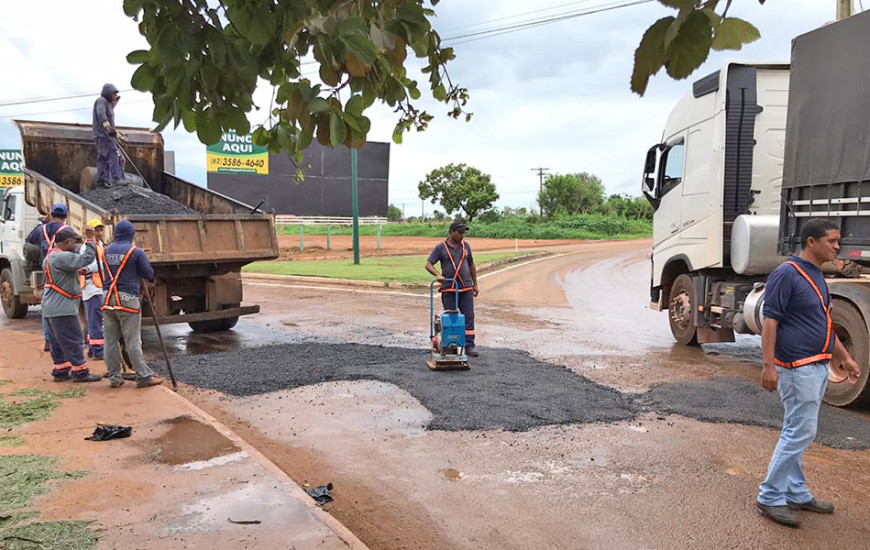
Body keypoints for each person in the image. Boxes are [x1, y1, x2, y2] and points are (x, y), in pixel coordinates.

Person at [756, 218, 862, 527]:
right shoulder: (786, 274)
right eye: (831, 241)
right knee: (800, 431)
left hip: (816, 365)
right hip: (796, 368)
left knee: (797, 429)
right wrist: (768, 366)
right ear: (811, 242)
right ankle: (770, 495)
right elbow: (770, 322)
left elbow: (824, 322)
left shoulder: (816, 274)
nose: (837, 246)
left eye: (837, 241)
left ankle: (796, 492)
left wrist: (843, 357)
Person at [101, 220, 164, 388]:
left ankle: (114, 377)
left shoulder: (106, 251)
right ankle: (143, 377)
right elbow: (148, 274)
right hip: (127, 299)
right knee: (133, 340)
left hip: (107, 298)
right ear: (131, 234)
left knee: (110, 340)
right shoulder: (135, 252)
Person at [42, 227, 101, 382]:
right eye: (74, 242)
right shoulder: (63, 257)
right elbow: (86, 259)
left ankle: (61, 371)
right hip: (63, 309)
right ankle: (80, 372)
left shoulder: (50, 257)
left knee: (58, 343)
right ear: (67, 242)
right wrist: (90, 240)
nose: (76, 246)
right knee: (73, 340)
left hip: (50, 308)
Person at [425, 222, 480, 357]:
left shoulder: (466, 246)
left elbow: (471, 266)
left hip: (466, 288)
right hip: (450, 288)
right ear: (452, 232)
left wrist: (475, 284)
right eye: (460, 232)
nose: (462, 235)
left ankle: (469, 345)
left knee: (469, 317)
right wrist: (438, 275)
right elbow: (428, 264)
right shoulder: (440, 248)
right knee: (451, 318)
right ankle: (450, 344)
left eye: (463, 233)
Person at [26, 204, 70, 351]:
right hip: (64, 273)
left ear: (51, 214)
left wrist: (43, 223)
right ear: (66, 216)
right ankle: (63, 340)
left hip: (47, 271)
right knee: (66, 306)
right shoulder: (67, 231)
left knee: (47, 306)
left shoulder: (41, 230)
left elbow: (30, 239)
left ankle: (49, 341)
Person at [79, 219, 106, 360]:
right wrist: (104, 265)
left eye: (101, 230)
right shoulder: (87, 248)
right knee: (95, 321)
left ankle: (92, 348)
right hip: (92, 288)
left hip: (98, 287)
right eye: (96, 230)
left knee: (94, 320)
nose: (99, 233)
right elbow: (90, 266)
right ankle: (98, 351)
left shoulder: (101, 245)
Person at [92, 83, 124, 188]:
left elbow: (110, 110)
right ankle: (115, 178)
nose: (115, 96)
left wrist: (116, 101)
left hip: (99, 135)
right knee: (114, 154)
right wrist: (108, 128)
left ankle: (101, 180)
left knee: (102, 157)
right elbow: (101, 114)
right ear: (108, 93)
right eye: (114, 94)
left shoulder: (107, 104)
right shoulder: (101, 101)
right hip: (104, 134)